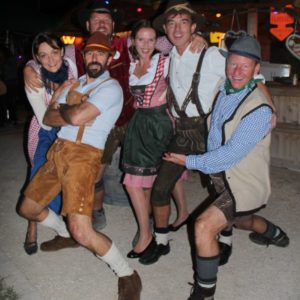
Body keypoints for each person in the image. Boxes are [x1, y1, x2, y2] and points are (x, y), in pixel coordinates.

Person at [164, 35, 289, 300]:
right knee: (241, 220)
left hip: (241, 181)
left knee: (204, 226)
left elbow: (228, 156)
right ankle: (275, 234)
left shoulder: (260, 111)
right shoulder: (225, 86)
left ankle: (204, 293)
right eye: (233, 64)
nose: (237, 72)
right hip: (222, 178)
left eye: (245, 67)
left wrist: (188, 161)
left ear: (257, 70)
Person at [19, 31, 142, 300]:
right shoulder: (75, 84)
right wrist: (70, 113)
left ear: (109, 57)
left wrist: (67, 112)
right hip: (58, 152)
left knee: (83, 230)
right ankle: (64, 233)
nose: (94, 57)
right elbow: (52, 119)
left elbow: (69, 116)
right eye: (90, 52)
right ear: (83, 56)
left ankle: (127, 274)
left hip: (84, 158)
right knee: (28, 208)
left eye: (101, 52)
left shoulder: (110, 88)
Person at [138, 0, 227, 265]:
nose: (177, 28)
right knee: (161, 187)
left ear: (194, 27)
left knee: (223, 189)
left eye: (184, 22)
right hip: (182, 133)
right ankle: (161, 240)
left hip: (208, 131)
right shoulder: (166, 58)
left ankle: (226, 239)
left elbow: (245, 77)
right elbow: (151, 45)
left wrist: (267, 106)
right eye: (172, 23)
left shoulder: (210, 55)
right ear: (165, 28)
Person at [121, 20, 174, 260]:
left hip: (157, 124)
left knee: (138, 182)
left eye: (150, 40)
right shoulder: (130, 66)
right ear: (134, 41)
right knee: (137, 182)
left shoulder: (164, 62)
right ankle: (148, 231)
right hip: (138, 124)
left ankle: (146, 235)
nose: (145, 44)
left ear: (156, 42)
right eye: (141, 39)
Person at [24, 32, 79, 255]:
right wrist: (57, 94)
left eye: (54, 52)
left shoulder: (72, 65)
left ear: (62, 52)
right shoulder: (35, 80)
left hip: (69, 127)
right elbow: (46, 121)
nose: (50, 60)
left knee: (67, 178)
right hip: (44, 131)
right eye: (43, 56)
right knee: (37, 178)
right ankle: (32, 225)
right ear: (37, 59)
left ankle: (66, 224)